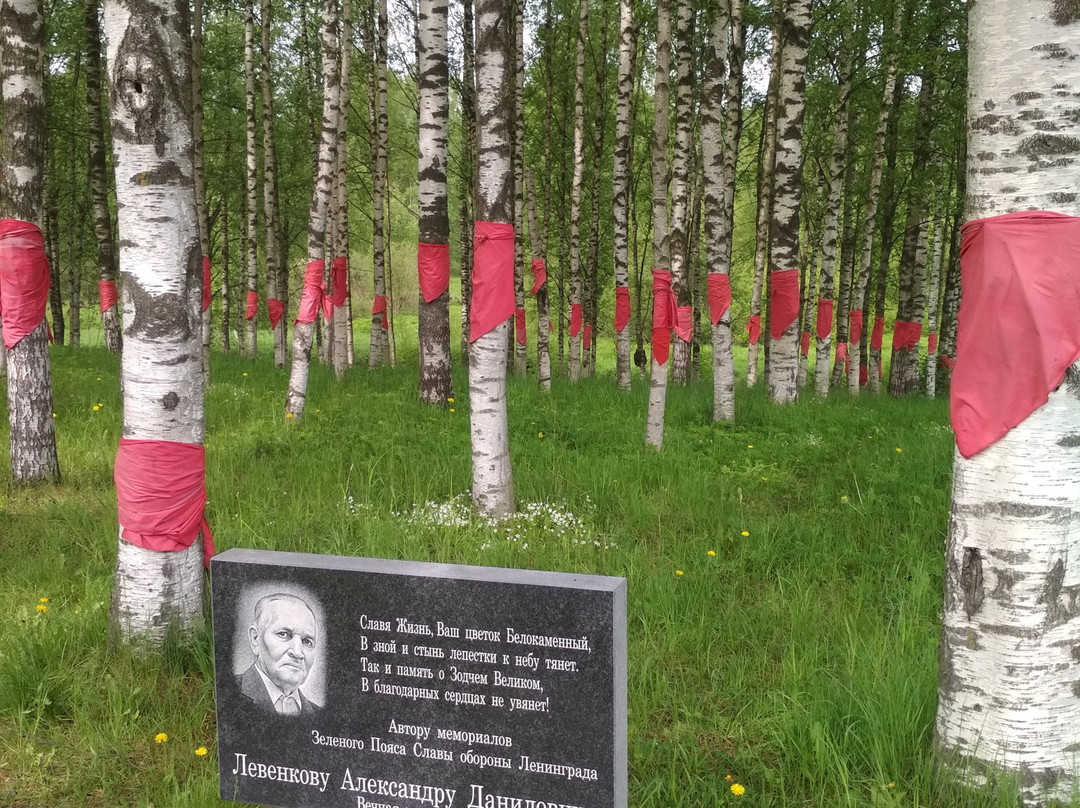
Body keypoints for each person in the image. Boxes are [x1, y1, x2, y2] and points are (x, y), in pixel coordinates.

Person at [236, 593, 322, 716]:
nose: (298, 653)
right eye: (283, 634)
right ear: (255, 639)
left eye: (307, 641)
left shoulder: (321, 715)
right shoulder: (228, 692)